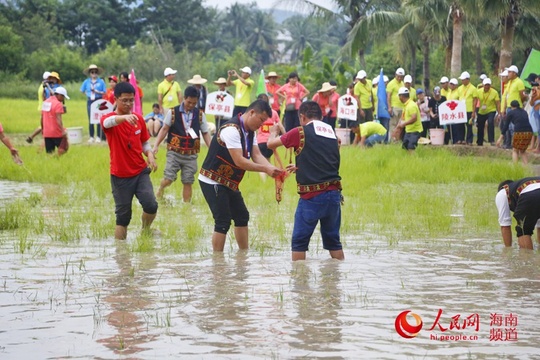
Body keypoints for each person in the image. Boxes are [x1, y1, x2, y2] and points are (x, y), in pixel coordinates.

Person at [198, 100, 282, 252]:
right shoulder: (231, 129)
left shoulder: (250, 132)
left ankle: (243, 256)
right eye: (261, 120)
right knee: (222, 221)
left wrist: (273, 169)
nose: (262, 125)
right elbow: (240, 161)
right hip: (213, 180)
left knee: (242, 216)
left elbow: (256, 154)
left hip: (230, 181)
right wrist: (265, 169)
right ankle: (218, 262)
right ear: (251, 113)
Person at [267, 101, 344, 261]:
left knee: (299, 242)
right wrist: (302, 164)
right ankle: (336, 281)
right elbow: (328, 158)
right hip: (334, 195)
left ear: (302, 117)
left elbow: (270, 144)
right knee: (334, 242)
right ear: (321, 116)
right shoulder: (332, 133)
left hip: (312, 197)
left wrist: (273, 131)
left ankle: (299, 283)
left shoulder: (299, 132)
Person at [100, 82, 158, 240]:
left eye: (131, 100)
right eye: (124, 100)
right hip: (120, 175)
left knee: (151, 205)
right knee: (123, 218)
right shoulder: (110, 119)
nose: (128, 104)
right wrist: (123, 118)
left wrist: (150, 155)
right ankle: (121, 255)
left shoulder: (138, 119)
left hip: (140, 171)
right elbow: (106, 123)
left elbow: (144, 142)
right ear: (116, 99)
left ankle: (145, 230)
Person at [153, 86, 212, 202]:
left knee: (188, 180)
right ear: (184, 98)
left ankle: (186, 206)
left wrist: (212, 149)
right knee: (169, 179)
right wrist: (156, 145)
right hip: (174, 153)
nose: (191, 105)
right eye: (189, 102)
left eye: (194, 103)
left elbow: (205, 133)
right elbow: (164, 129)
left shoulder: (200, 115)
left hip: (191, 154)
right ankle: (161, 188)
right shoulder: (172, 112)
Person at [495, 177, 540, 249]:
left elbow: (505, 226)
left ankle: (527, 259)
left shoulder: (503, 191)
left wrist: (508, 250)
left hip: (530, 195)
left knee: (523, 230)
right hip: (534, 192)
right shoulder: (523, 185)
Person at [27, 71, 61, 144]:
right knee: (46, 125)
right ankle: (35, 137)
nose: (52, 80)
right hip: (47, 107)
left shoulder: (50, 86)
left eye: (54, 78)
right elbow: (45, 97)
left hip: (49, 107)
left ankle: (32, 137)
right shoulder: (45, 87)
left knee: (46, 125)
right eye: (51, 78)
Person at [499, 100, 533, 164]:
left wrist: (500, 138)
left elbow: (506, 126)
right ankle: (526, 168)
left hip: (519, 132)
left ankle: (515, 167)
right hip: (529, 132)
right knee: (522, 151)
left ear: (511, 106)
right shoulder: (524, 112)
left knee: (515, 150)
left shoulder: (511, 112)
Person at [80, 64, 107, 143]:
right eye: (92, 72)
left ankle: (98, 136)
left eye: (95, 72)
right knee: (91, 118)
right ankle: (91, 136)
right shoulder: (86, 81)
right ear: (90, 73)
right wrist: (88, 94)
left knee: (98, 118)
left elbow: (104, 92)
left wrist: (96, 92)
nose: (94, 74)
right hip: (90, 100)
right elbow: (82, 90)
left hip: (98, 100)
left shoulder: (101, 82)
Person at [42, 86, 70, 156]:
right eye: (63, 97)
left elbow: (42, 118)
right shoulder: (58, 104)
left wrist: (43, 129)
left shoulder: (45, 102)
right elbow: (58, 119)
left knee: (49, 152)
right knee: (64, 148)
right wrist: (62, 131)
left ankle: (52, 161)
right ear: (59, 95)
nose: (63, 99)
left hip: (47, 132)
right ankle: (56, 158)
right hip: (56, 132)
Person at [476, 78, 500, 146]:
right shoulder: (478, 91)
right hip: (481, 111)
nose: (487, 87)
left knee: (490, 122)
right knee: (480, 125)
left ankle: (491, 140)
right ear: (483, 85)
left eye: (488, 85)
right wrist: (474, 110)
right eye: (486, 85)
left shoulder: (494, 92)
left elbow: (497, 103)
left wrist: (499, 113)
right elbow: (475, 100)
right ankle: (479, 141)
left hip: (491, 110)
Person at [397, 87, 422, 152]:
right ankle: (408, 161)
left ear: (401, 96)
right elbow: (403, 117)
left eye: (399, 96)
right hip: (408, 130)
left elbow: (414, 118)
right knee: (405, 147)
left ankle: (413, 161)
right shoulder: (406, 105)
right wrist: (398, 127)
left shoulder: (411, 105)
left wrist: (404, 124)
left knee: (411, 148)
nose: (399, 98)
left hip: (415, 130)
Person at [458, 71, 479, 145]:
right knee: (460, 125)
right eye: (462, 80)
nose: (462, 81)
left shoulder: (473, 88)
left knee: (469, 125)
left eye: (463, 80)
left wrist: (473, 112)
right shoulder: (460, 88)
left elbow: (475, 100)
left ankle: (469, 140)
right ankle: (461, 139)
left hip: (469, 110)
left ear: (467, 79)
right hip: (461, 110)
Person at [387, 67, 406, 134]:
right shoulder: (391, 84)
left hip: (402, 107)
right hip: (394, 107)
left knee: (400, 124)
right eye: (398, 76)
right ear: (395, 75)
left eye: (401, 77)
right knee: (393, 124)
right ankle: (393, 139)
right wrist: (389, 107)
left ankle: (398, 139)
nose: (399, 78)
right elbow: (388, 96)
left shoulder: (403, 84)